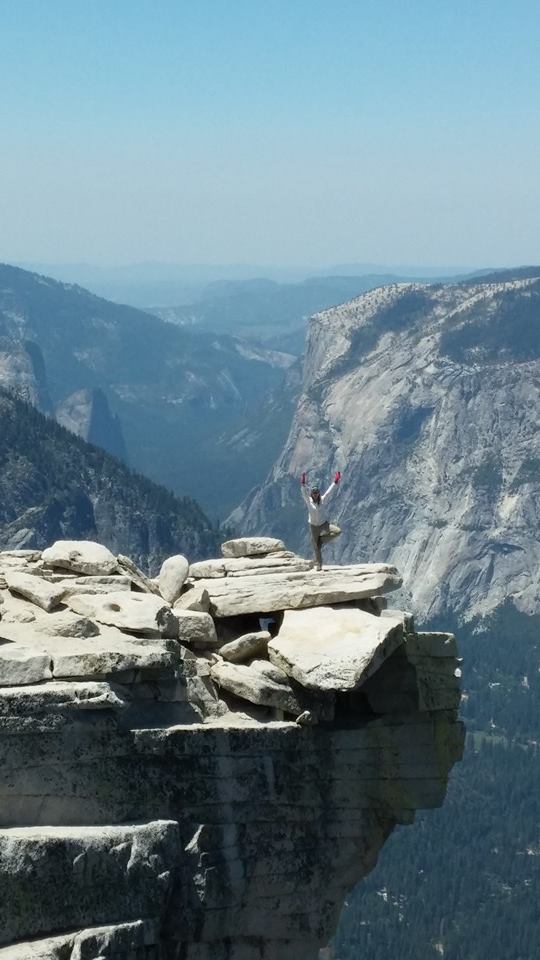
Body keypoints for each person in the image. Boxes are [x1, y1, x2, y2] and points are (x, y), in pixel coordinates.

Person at [300, 471, 342, 570]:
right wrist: (302, 483)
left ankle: (322, 540)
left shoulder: (322, 499)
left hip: (324, 524)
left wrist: (335, 482)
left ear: (318, 493)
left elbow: (329, 492)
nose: (315, 495)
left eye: (317, 493)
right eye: (314, 493)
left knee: (337, 531)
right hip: (313, 526)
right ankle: (319, 565)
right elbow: (304, 493)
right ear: (312, 494)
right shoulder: (309, 501)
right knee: (316, 548)